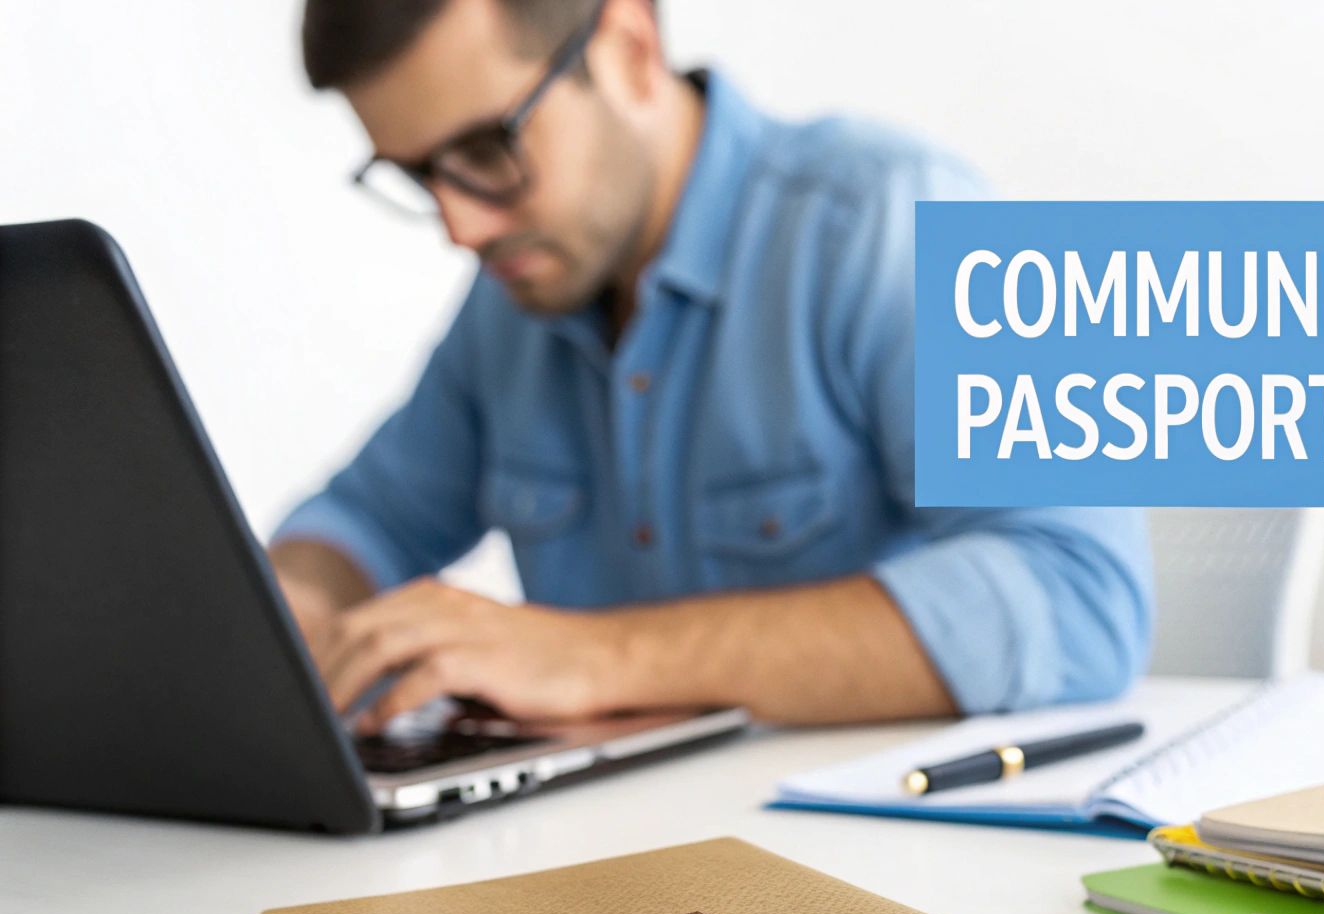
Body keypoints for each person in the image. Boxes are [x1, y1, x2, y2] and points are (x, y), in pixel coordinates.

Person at [272, 0, 1152, 730]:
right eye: (420, 175)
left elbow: (1080, 593)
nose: (459, 227)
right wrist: (291, 619)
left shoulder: (892, 216)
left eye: (486, 152)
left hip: (877, 878)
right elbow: (366, 520)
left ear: (627, 51)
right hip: (607, 869)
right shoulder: (515, 300)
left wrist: (594, 658)